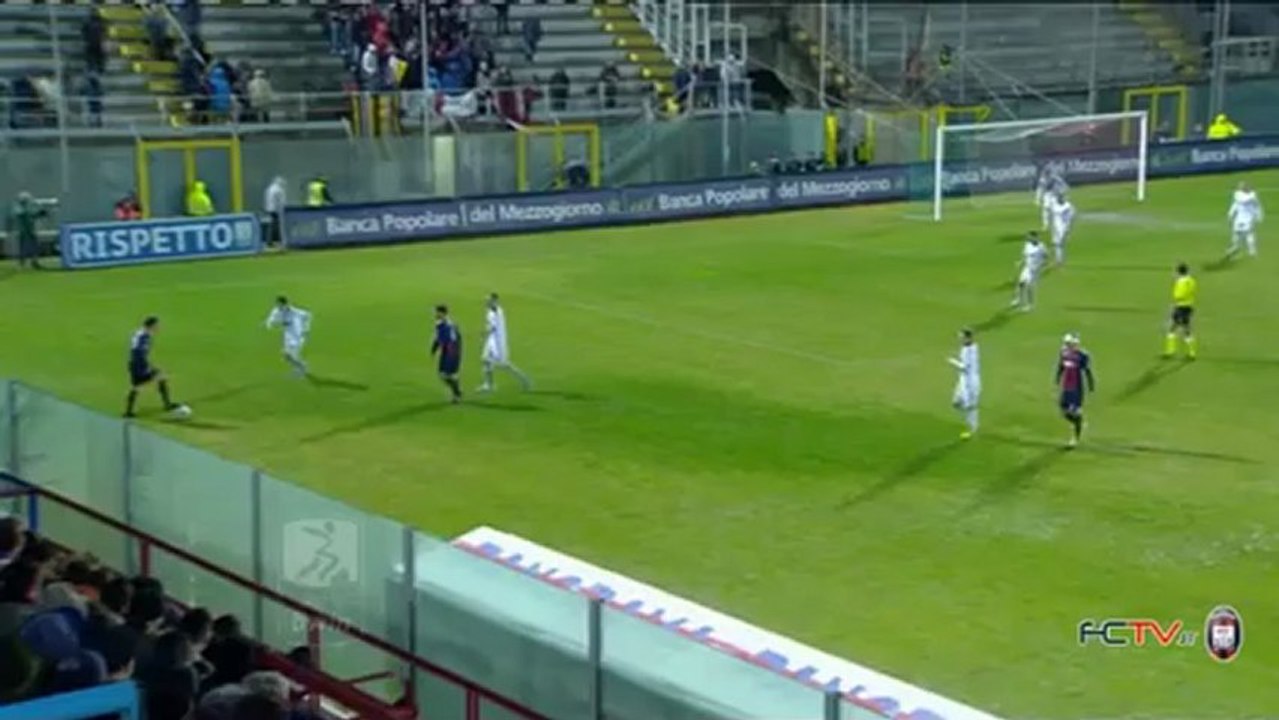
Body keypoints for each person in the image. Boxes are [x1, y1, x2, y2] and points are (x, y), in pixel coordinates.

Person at [125, 316, 180, 419]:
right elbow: (138, 352)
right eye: (157, 325)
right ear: (152, 325)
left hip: (135, 364)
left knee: (139, 385)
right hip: (139, 365)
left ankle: (128, 412)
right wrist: (147, 366)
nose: (159, 327)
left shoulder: (141, 334)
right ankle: (167, 405)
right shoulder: (143, 337)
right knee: (141, 385)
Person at [477, 293, 532, 394]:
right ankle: (489, 385)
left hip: (498, 342)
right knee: (484, 359)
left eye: (489, 300)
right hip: (491, 340)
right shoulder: (492, 311)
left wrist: (483, 334)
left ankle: (524, 380)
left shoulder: (496, 312)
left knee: (504, 365)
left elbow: (492, 327)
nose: (486, 302)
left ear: (494, 301)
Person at [1056, 333, 1095, 448]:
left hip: (1076, 389)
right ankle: (1079, 423)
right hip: (1066, 387)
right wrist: (1058, 380)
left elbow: (1087, 371)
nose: (1067, 346)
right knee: (1064, 411)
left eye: (1069, 344)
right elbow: (1061, 367)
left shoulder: (1082, 356)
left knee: (1074, 411)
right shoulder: (1063, 353)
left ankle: (1075, 438)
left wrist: (1091, 385)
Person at [265, 296, 312, 377]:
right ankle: (302, 367)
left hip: (297, 335)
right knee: (286, 356)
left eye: (281, 305)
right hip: (288, 335)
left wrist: (306, 329)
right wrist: (270, 324)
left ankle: (302, 369)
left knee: (290, 354)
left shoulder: (295, 311)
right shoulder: (276, 311)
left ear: (285, 304)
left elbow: (308, 315)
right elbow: (271, 319)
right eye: (278, 305)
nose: (279, 306)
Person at [948, 328, 980, 439]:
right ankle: (969, 408)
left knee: (970, 407)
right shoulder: (970, 347)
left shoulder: (969, 351)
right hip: (963, 380)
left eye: (962, 337)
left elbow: (965, 367)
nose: (960, 339)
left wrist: (953, 362)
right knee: (956, 403)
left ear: (968, 337)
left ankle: (973, 429)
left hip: (970, 382)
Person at [7, 192, 52, 269]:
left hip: (30, 230)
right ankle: (22, 263)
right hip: (23, 231)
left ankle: (34, 261)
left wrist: (41, 213)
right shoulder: (19, 208)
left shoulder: (27, 207)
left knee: (34, 246)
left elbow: (33, 215)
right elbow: (23, 214)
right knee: (23, 247)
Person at [1164, 263, 1198, 360]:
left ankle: (1170, 351)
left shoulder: (1180, 282)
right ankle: (1192, 352)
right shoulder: (1192, 280)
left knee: (1172, 328)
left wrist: (1175, 292)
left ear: (1179, 272)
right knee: (1187, 329)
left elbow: (1178, 295)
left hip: (1180, 307)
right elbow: (1193, 290)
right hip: (1189, 306)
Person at [431, 304, 463, 404]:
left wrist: (453, 353)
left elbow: (452, 339)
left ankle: (456, 394)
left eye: (437, 312)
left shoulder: (447, 325)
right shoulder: (442, 324)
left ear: (442, 313)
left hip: (451, 352)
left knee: (447, 375)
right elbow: (439, 338)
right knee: (443, 375)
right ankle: (457, 392)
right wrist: (435, 348)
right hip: (448, 351)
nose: (435, 314)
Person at [1012, 231, 1048, 311]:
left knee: (1029, 286)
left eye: (1031, 237)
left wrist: (1042, 265)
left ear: (1036, 237)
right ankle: (1018, 300)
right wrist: (1020, 262)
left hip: (1035, 270)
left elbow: (1046, 257)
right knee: (1021, 284)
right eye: (1029, 237)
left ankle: (1030, 305)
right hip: (1027, 268)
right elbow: (1025, 256)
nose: (1029, 239)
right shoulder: (1027, 245)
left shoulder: (1041, 247)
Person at [1226, 180, 1263, 258]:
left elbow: (1257, 206)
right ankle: (1236, 248)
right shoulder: (1242, 196)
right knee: (1237, 234)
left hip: (1247, 219)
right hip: (1239, 218)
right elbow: (1235, 205)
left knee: (1248, 233)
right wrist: (1230, 214)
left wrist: (1258, 215)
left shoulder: (1250, 196)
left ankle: (1251, 251)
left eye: (1242, 187)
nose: (1240, 188)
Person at [1048, 191, 1075, 265]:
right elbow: (1052, 215)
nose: (1058, 199)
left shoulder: (1068, 206)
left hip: (1064, 227)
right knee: (1056, 243)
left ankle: (1060, 260)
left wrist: (1068, 228)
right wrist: (1051, 225)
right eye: (1057, 197)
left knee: (1060, 243)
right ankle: (1058, 260)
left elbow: (1071, 217)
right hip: (1055, 226)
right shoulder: (1054, 205)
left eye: (1060, 197)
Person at [263, 176, 286, 246]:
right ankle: (278, 241)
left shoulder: (269, 188)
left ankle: (269, 241)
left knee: (271, 225)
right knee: (277, 225)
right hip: (275, 210)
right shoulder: (279, 190)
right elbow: (281, 201)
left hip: (269, 209)